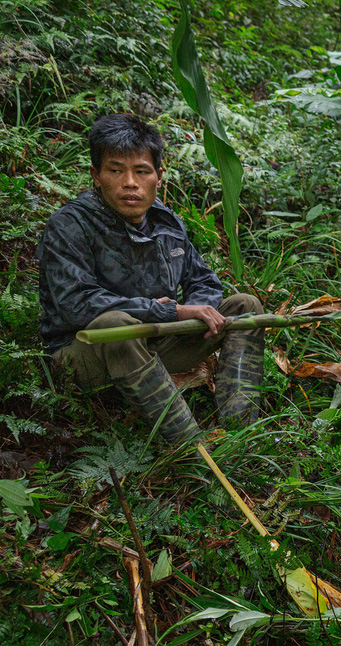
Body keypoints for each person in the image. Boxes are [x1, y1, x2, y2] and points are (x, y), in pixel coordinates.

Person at [38, 113, 264, 446]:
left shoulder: (166, 221)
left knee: (246, 305)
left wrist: (198, 306)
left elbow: (202, 280)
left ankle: (242, 432)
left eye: (141, 171)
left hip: (155, 343)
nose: (130, 182)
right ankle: (191, 449)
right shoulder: (70, 225)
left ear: (158, 176)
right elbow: (76, 304)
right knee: (115, 323)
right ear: (96, 175)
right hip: (83, 356)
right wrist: (170, 312)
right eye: (116, 170)